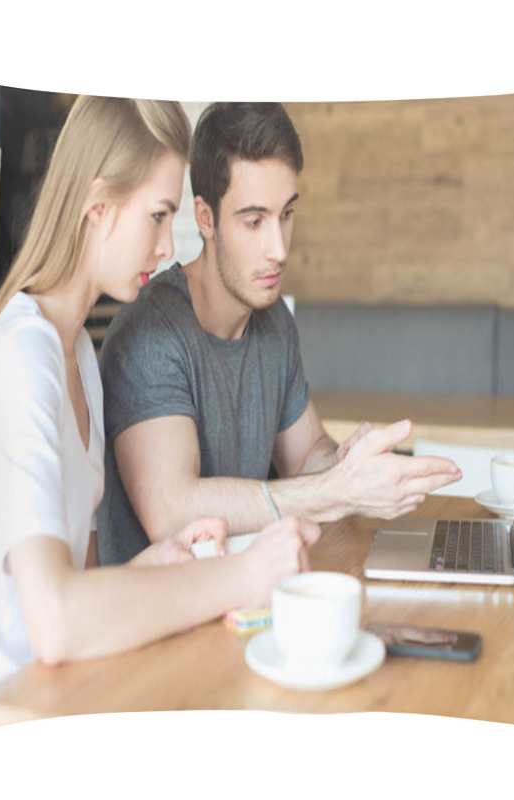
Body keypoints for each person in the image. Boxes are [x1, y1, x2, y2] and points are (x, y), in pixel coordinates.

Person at [0, 96, 320, 735]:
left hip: (66, 698)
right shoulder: (18, 352)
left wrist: (159, 564)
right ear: (98, 206)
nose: (166, 242)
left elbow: (86, 585)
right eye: (157, 215)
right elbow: (56, 620)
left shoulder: (78, 358)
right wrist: (243, 575)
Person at [96, 102, 461, 565]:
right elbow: (172, 513)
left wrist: (346, 463)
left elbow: (306, 453)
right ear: (205, 219)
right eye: (254, 221)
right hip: (163, 622)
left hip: (245, 602)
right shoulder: (150, 335)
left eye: (286, 214)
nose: (279, 249)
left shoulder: (271, 320)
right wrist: (334, 490)